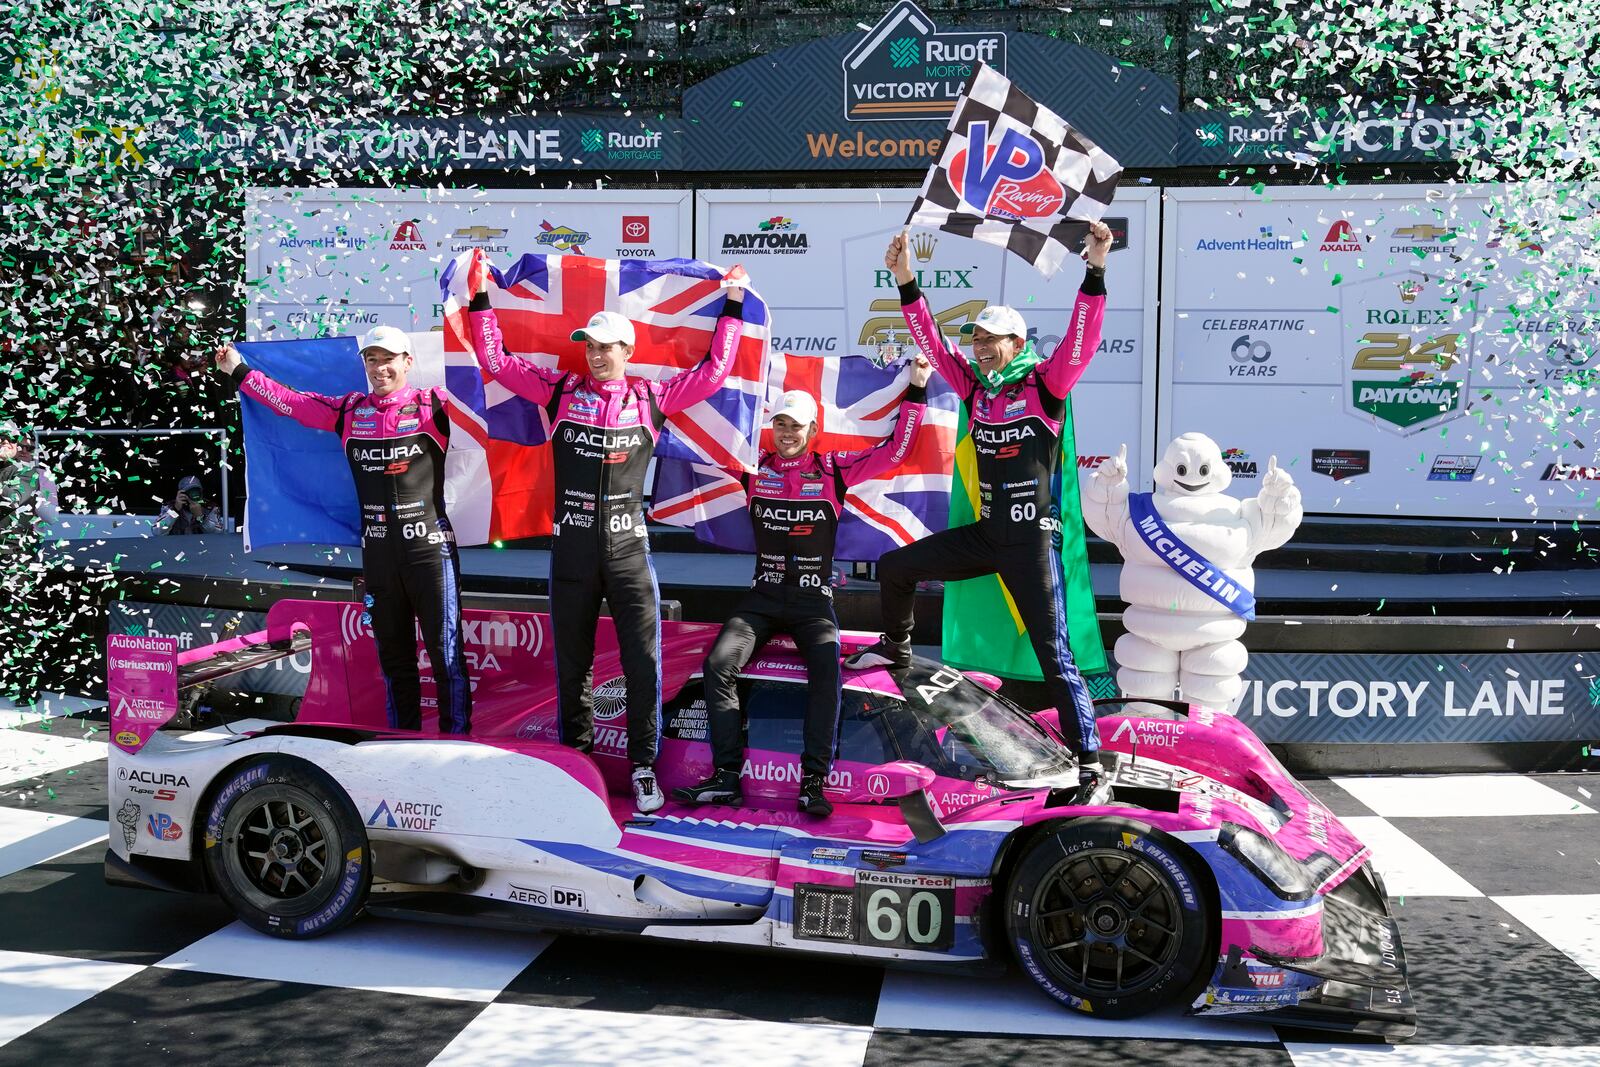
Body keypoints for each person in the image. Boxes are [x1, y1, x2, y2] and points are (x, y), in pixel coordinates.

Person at [846, 221, 1116, 806]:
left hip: (1031, 544)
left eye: (994, 338)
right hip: (987, 536)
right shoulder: (975, 389)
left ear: (1018, 344)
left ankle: (1089, 765)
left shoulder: (1047, 386)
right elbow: (932, 342)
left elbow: (1081, 339)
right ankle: (895, 647)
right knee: (896, 568)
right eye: (978, 338)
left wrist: (1094, 270)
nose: (982, 345)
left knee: (1055, 655)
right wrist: (906, 279)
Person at [466, 268, 746, 813]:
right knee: (573, 663)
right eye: (589, 346)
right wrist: (480, 297)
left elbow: (715, 371)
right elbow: (495, 361)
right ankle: (577, 762)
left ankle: (643, 767)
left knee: (643, 661)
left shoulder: (652, 396)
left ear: (627, 349)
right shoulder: (559, 391)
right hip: (571, 549)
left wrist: (732, 303)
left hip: (628, 551)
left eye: (605, 347)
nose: (594, 355)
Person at [674, 362, 932, 816]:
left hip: (813, 604)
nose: (787, 433)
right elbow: (703, 437)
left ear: (813, 429)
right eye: (780, 424)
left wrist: (916, 388)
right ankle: (726, 777)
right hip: (762, 598)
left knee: (827, 673)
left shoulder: (833, 471)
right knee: (718, 665)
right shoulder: (754, 468)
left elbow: (895, 452)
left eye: (796, 425)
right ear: (771, 428)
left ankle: (813, 781)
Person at [213, 327, 472, 735]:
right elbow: (292, 404)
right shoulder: (350, 410)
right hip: (380, 555)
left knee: (446, 656)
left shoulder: (434, 404)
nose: (380, 368)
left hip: (429, 552)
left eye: (388, 358)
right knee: (395, 659)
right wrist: (239, 372)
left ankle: (457, 745)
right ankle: (400, 742)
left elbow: (488, 381)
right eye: (372, 359)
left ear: (408, 361)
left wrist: (476, 305)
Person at [157, 475, 225, 534]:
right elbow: (157, 531)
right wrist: (175, 511)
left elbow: (219, 533)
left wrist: (200, 517)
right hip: (176, 546)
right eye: (190, 492)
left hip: (203, 547)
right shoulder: (169, 506)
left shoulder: (210, 507)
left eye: (197, 491)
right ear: (182, 494)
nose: (194, 495)